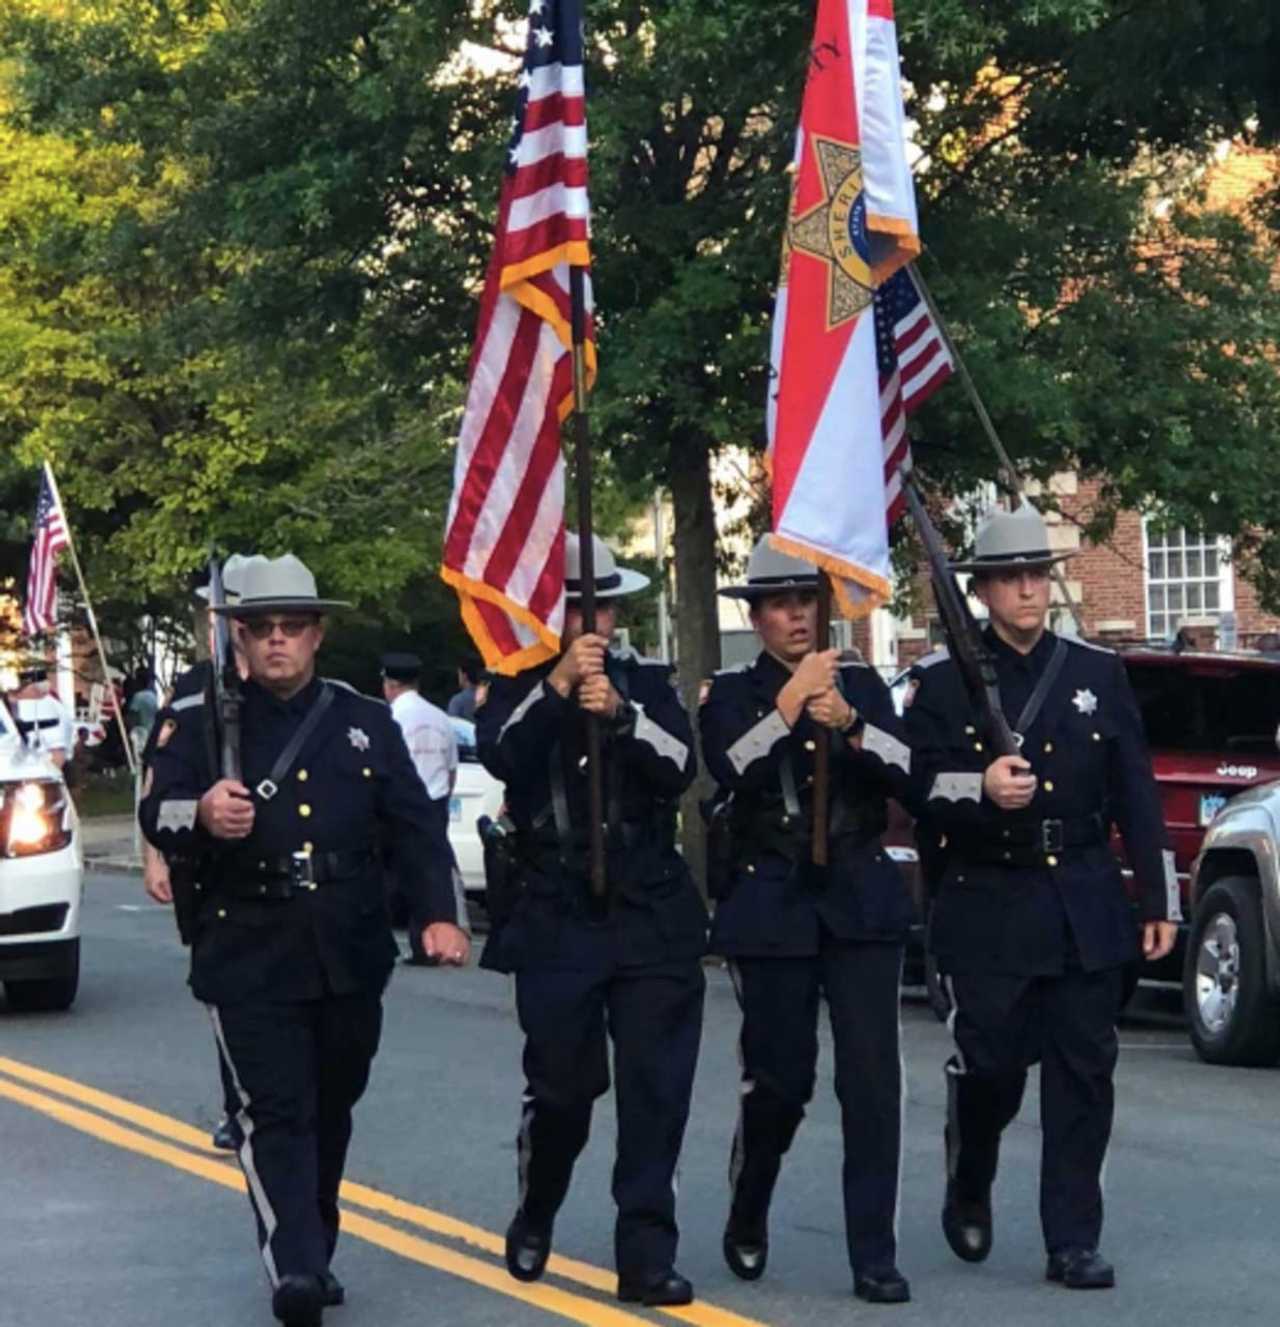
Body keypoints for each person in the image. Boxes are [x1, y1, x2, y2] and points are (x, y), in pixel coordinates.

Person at [139, 554, 469, 1327]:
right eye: (261, 628)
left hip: (345, 942)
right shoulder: (199, 717)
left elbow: (415, 827)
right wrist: (204, 813)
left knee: (331, 1103)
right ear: (239, 640)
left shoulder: (362, 721)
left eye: (292, 626)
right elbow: (159, 811)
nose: (277, 640)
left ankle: (313, 1233)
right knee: (275, 1109)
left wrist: (438, 913)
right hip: (247, 944)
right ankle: (295, 1266)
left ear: (318, 633)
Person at [903, 501, 1179, 1291]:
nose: (1027, 589)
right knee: (992, 1066)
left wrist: (1157, 895)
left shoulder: (1095, 673)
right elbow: (916, 783)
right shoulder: (944, 682)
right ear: (983, 590)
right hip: (991, 898)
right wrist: (980, 784)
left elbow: (1135, 790)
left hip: (1083, 899)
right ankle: (971, 1165)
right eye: (1010, 578)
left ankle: (1073, 1237)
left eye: (1035, 575)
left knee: (1085, 1074)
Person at [476, 534, 707, 1308]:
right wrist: (558, 691)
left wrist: (625, 715)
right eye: (579, 605)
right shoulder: (514, 680)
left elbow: (680, 766)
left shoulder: (646, 680)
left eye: (603, 603)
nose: (593, 618)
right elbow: (503, 756)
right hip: (557, 906)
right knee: (566, 1087)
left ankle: (646, 1252)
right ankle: (539, 1199)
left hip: (647, 903)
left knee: (655, 1089)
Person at [698, 537, 916, 1306]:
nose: (797, 614)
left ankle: (874, 1252)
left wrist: (850, 719)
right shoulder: (731, 690)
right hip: (772, 897)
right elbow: (727, 766)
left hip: (857, 893)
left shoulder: (859, 681)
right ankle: (750, 1197)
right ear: (756, 616)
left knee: (872, 1081)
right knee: (782, 1081)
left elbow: (908, 768)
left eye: (808, 601)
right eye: (782, 603)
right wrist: (791, 706)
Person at [380, 651, 459, 964]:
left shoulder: (391, 718)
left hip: (399, 804)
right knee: (430, 872)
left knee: (394, 875)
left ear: (389, 684)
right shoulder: (440, 717)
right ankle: (429, 938)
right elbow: (451, 768)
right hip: (436, 802)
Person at [11, 665, 74, 768]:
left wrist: (41, 780)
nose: (19, 693)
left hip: (40, 774)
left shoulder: (47, 708)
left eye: (22, 689)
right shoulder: (35, 705)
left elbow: (57, 755)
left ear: (32, 689)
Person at [447, 655, 483, 721]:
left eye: (459, 674)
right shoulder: (490, 698)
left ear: (464, 676)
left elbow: (452, 727)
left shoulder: (458, 701)